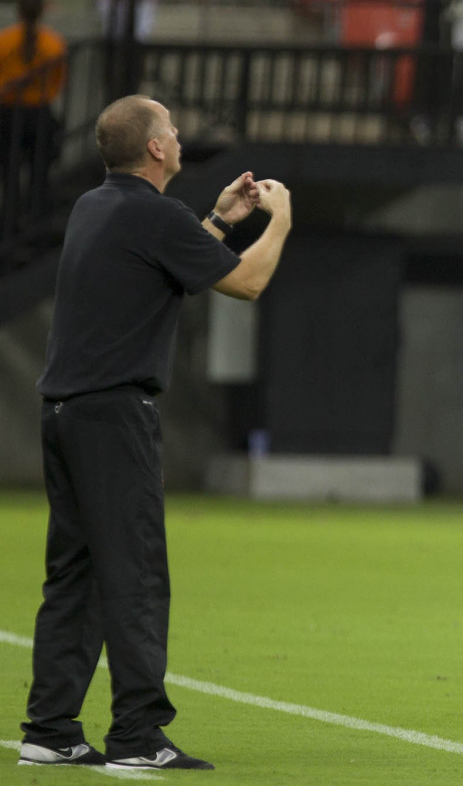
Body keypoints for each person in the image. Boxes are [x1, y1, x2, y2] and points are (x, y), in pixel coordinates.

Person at [17, 94, 292, 770]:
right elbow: (249, 284)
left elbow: (171, 258)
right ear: (158, 150)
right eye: (170, 128)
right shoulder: (152, 214)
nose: (177, 134)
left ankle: (50, 729)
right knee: (135, 574)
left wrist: (222, 220)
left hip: (62, 412)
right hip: (113, 416)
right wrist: (277, 221)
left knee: (74, 575)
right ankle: (138, 735)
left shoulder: (96, 206)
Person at [0, 0, 66, 231]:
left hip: (8, 112)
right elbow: (57, 83)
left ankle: (10, 222)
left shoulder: (4, 40)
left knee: (9, 171)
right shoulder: (53, 43)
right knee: (40, 171)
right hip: (39, 113)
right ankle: (37, 222)